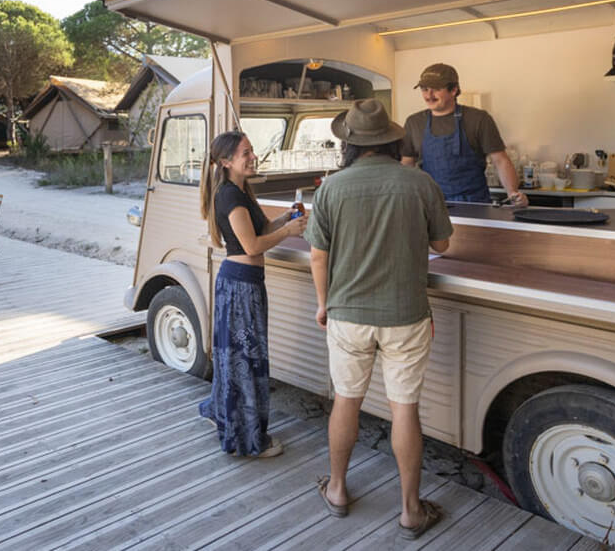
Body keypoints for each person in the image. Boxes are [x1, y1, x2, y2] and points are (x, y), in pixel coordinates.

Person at [306, 99, 453, 539]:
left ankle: (336, 490)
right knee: (404, 409)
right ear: (391, 140)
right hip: (406, 314)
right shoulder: (419, 182)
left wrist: (323, 303)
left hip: (348, 314)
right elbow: (443, 245)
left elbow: (318, 254)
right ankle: (411, 511)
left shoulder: (331, 188)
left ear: (349, 144)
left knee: (346, 401)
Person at [197, 130, 308, 457]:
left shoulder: (239, 191)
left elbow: (258, 231)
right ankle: (247, 440)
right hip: (241, 286)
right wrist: (289, 232)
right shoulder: (230, 196)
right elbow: (252, 245)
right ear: (226, 161)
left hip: (243, 283)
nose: (253, 156)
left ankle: (225, 414)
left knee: (236, 359)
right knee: (246, 362)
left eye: (252, 150)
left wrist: (285, 218)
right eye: (246, 152)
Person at [400, 63, 527, 206]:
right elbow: (407, 164)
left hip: (474, 205)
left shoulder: (478, 119)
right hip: (432, 204)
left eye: (436, 89)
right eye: (424, 89)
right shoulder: (414, 122)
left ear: (453, 90)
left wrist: (513, 192)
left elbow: (500, 160)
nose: (429, 95)